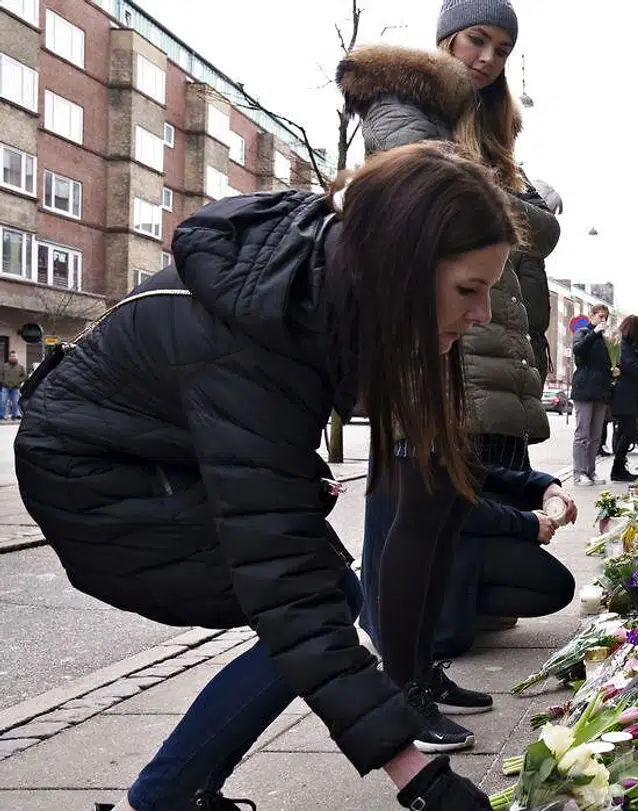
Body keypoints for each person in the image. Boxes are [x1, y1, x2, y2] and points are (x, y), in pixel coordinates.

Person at [15, 143, 505, 811]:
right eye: (468, 290)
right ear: (399, 264)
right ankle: (163, 797)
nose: (483, 314)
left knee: (321, 595)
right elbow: (287, 588)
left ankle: (171, 792)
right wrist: (420, 778)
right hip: (93, 479)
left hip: (142, 454)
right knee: (311, 602)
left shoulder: (310, 280)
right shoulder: (252, 336)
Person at [341, 0, 577, 750]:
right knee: (416, 517)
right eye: (478, 39)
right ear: (447, 37)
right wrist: (513, 200)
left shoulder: (478, 129)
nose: (487, 59)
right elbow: (497, 216)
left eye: (502, 48)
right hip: (419, 338)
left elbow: (530, 233)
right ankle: (401, 689)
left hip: (456, 339)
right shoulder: (401, 105)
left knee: (439, 518)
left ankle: (421, 672)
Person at [570, 303, 614, 486]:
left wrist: (614, 369)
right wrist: (594, 333)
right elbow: (578, 350)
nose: (603, 320)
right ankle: (579, 472)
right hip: (584, 389)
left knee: (596, 435)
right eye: (600, 316)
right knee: (583, 434)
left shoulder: (606, 338)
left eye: (606, 317)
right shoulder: (582, 332)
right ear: (592, 316)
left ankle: (590, 470)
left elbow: (609, 361)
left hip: (601, 390)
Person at [610, 315, 638, 483]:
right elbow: (629, 366)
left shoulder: (625, 344)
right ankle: (618, 467)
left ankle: (619, 466)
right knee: (628, 431)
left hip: (626, 393)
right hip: (625, 393)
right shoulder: (624, 345)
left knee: (625, 431)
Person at [1, 349, 26, 420]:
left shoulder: (20, 367)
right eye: (11, 356)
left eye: (14, 356)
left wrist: (18, 382)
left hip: (15, 387)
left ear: (17, 357)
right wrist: (3, 382)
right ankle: (2, 415)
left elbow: (24, 376)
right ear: (9, 357)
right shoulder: (4, 366)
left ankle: (15, 415)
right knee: (3, 401)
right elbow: (1, 375)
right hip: (5, 387)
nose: (13, 357)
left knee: (15, 402)